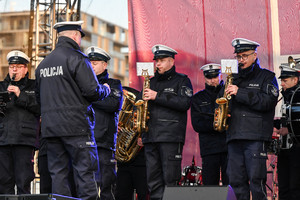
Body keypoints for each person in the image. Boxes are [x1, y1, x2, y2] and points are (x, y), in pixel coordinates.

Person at [35, 21, 110, 200]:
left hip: (51, 130)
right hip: (76, 127)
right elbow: (92, 91)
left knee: (58, 175)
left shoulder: (43, 65)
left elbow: (39, 99)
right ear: (76, 36)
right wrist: (105, 88)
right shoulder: (78, 58)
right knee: (85, 173)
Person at [225, 38, 279, 200]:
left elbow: (268, 101)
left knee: (256, 181)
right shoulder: (231, 78)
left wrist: (239, 92)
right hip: (234, 136)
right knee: (236, 181)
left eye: (244, 56)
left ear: (255, 55)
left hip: (255, 137)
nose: (241, 60)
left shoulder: (266, 77)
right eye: (238, 57)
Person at [141, 44, 193, 200]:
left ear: (171, 61)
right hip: (150, 138)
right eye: (156, 61)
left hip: (170, 138)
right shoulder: (149, 82)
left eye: (162, 60)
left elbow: (184, 103)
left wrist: (157, 96)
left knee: (171, 181)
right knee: (153, 182)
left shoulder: (182, 81)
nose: (158, 64)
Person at [85, 46, 123, 200]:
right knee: (87, 185)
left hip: (104, 144)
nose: (91, 66)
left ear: (104, 65)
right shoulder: (82, 84)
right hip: (85, 141)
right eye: (89, 63)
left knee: (106, 184)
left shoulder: (113, 83)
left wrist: (90, 98)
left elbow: (113, 104)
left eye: (95, 63)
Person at [0, 50, 40, 194]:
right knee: (3, 182)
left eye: (18, 66)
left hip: (24, 141)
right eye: (12, 66)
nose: (14, 69)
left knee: (24, 182)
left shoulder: (34, 86)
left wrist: (20, 95)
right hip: (3, 141)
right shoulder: (1, 87)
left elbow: (40, 108)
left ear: (25, 69)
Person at [191, 63, 228, 186]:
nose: (212, 80)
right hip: (209, 148)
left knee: (232, 185)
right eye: (209, 77)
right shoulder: (197, 98)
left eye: (215, 77)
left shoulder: (229, 94)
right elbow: (197, 124)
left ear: (221, 76)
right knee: (210, 186)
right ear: (204, 78)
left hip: (229, 147)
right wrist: (217, 124)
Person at [273, 62, 300, 200]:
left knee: (295, 187)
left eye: (285, 80)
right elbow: (286, 118)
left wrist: (288, 130)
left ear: (295, 80)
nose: (282, 84)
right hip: (284, 149)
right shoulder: (285, 96)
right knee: (283, 186)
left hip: (297, 148)